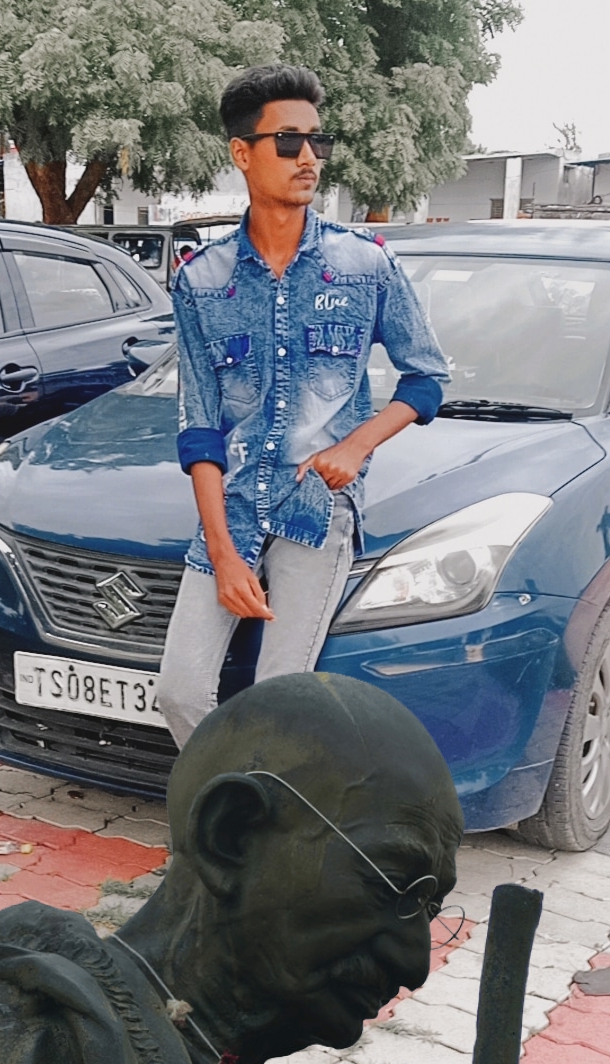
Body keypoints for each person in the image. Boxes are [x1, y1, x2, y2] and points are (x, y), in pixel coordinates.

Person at [0, 673, 464, 1064]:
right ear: (229, 837)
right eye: (391, 885)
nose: (414, 964)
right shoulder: (29, 1053)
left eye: (430, 907)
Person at [158, 64, 449, 745]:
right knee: (179, 690)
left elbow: (426, 378)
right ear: (242, 153)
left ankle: (257, 807)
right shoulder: (201, 280)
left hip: (315, 511)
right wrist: (223, 553)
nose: (309, 157)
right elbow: (199, 426)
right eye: (289, 142)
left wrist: (355, 445)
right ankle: (234, 791)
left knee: (280, 697)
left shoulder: (365, 265)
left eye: (319, 141)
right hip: (232, 506)